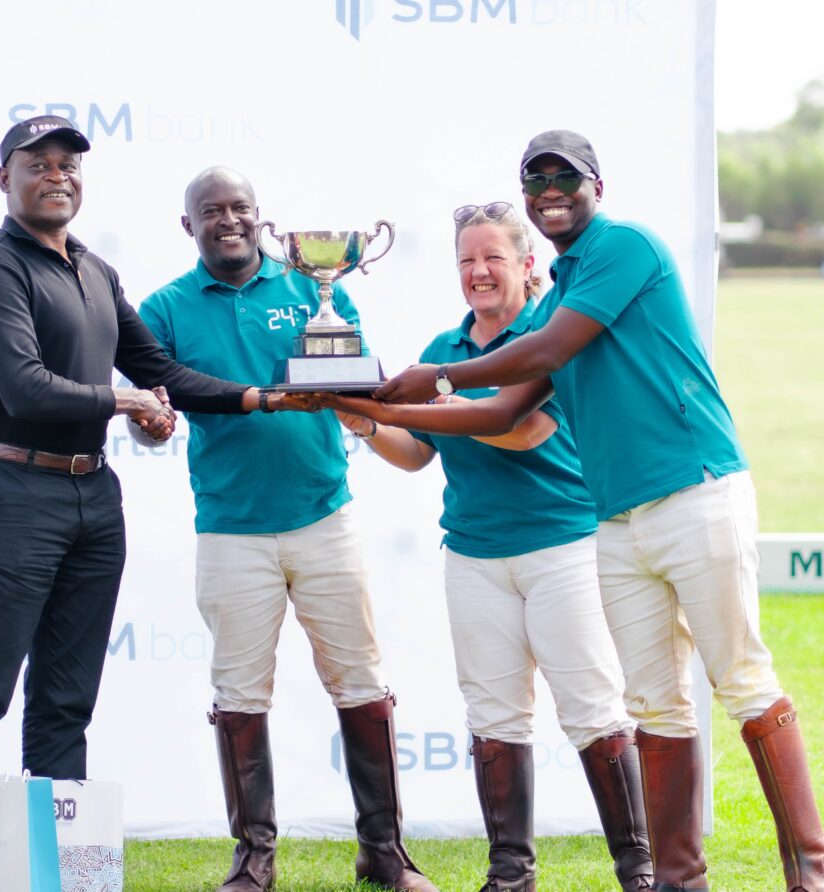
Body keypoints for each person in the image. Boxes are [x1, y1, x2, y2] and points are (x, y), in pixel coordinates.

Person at [325, 130, 824, 891]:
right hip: (617, 522)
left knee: (742, 681)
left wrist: (436, 375)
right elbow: (502, 412)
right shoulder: (559, 295)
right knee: (655, 704)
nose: (551, 189)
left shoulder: (625, 248)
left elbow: (537, 361)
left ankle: (810, 875)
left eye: (566, 176)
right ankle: (677, 883)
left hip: (695, 491)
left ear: (598, 184)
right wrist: (368, 401)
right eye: (537, 178)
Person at [0, 118, 285, 781]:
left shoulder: (95, 270)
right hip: (10, 491)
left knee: (67, 696)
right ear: (4, 178)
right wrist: (127, 401)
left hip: (93, 495)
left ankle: (62, 853)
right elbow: (27, 389)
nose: (56, 177)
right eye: (37, 165)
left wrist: (259, 397)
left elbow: (162, 372)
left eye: (68, 166)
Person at [135, 166, 437, 892]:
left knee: (361, 681)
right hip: (231, 528)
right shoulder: (164, 308)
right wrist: (150, 425)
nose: (227, 220)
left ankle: (385, 852)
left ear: (261, 217)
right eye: (211, 211)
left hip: (324, 515)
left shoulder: (312, 286)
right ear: (189, 226)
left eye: (239, 207)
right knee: (239, 692)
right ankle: (255, 859)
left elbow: (361, 384)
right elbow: (155, 409)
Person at [334, 201, 651, 891]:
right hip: (473, 554)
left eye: (493, 259)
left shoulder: (551, 335)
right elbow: (417, 452)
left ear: (527, 264)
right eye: (467, 261)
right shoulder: (444, 354)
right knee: (493, 716)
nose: (478, 272)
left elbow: (521, 430)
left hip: (562, 546)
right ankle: (510, 872)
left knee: (593, 707)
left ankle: (640, 870)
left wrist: (410, 402)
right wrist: (362, 419)